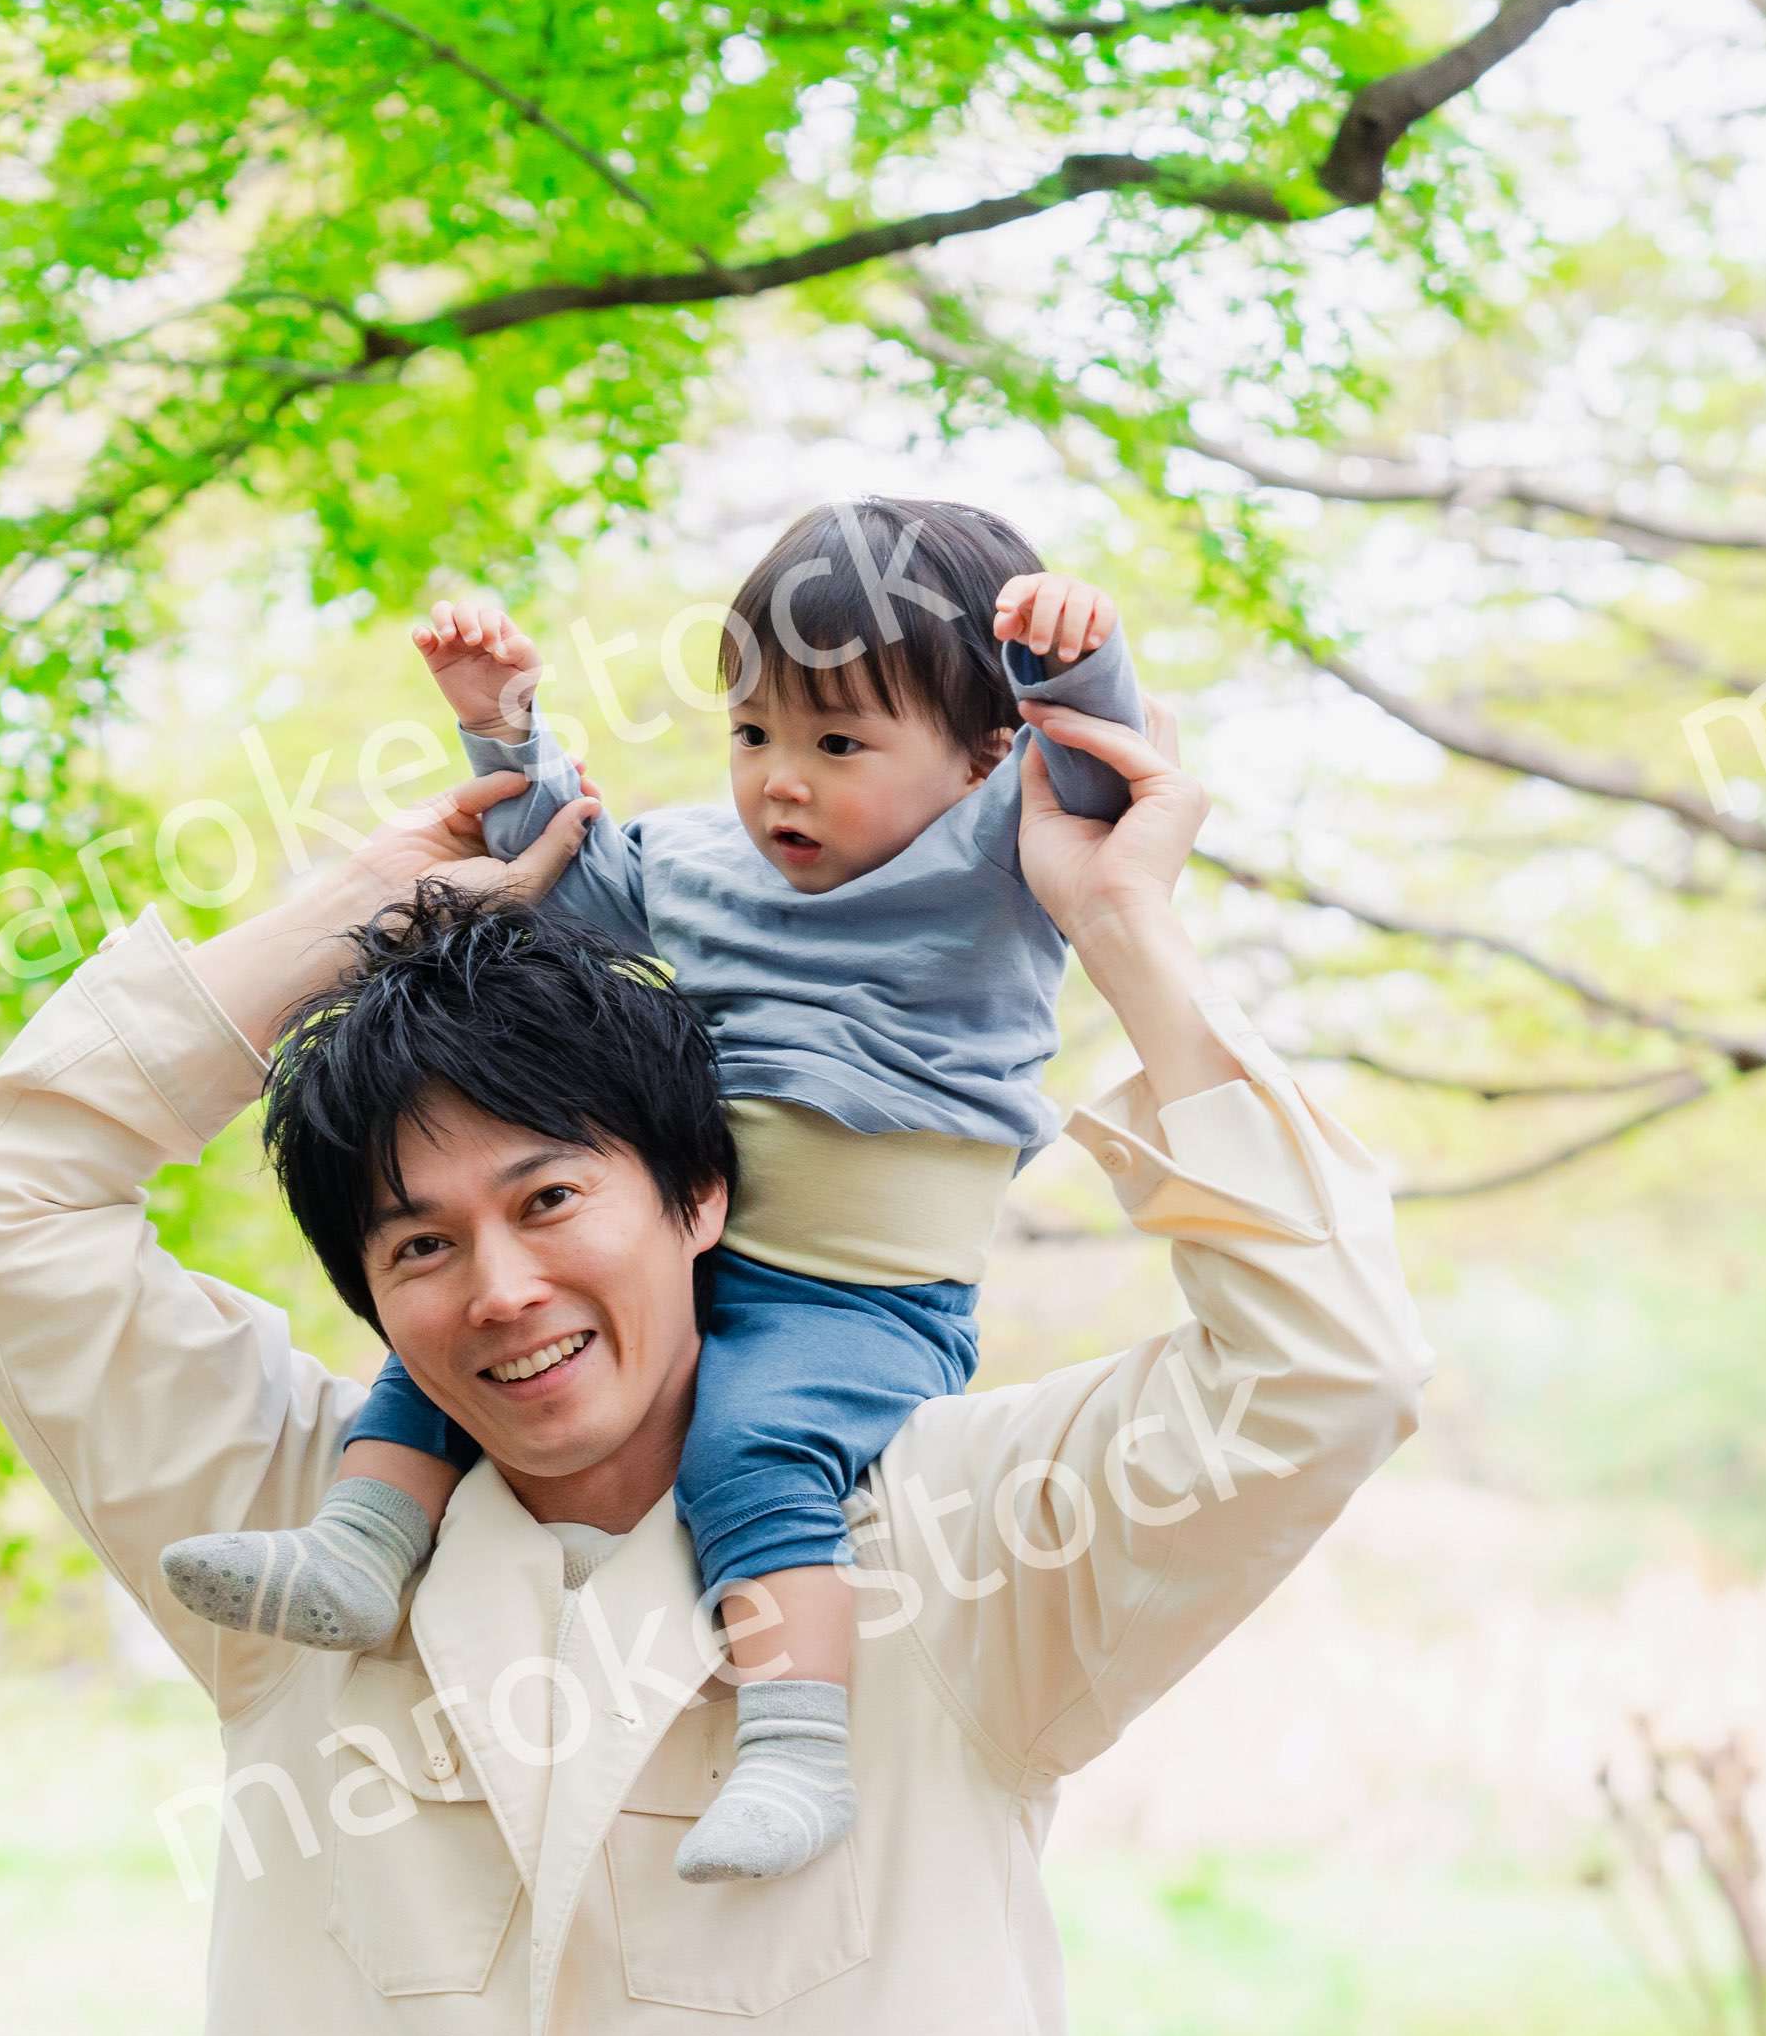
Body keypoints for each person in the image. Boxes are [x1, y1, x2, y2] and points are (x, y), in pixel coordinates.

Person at [0, 666, 1429, 2036]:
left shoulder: (954, 1537)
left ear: (698, 1193)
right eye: (420, 1246)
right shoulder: (287, 1540)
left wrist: (1120, 926)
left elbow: (1326, 1374)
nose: (503, 1290)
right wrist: (367, 913)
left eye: (552, 1200)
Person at [160, 500, 1146, 1890]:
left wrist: (1075, 662)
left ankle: (797, 1743)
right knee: (451, 1341)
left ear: (983, 756)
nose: (780, 785)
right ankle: (361, 1543)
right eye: (754, 736)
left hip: (861, 1297)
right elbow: (567, 878)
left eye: (839, 744)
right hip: (690, 1258)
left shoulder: (996, 862)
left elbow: (1107, 783)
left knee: (753, 1450)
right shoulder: (702, 865)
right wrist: (504, 730)